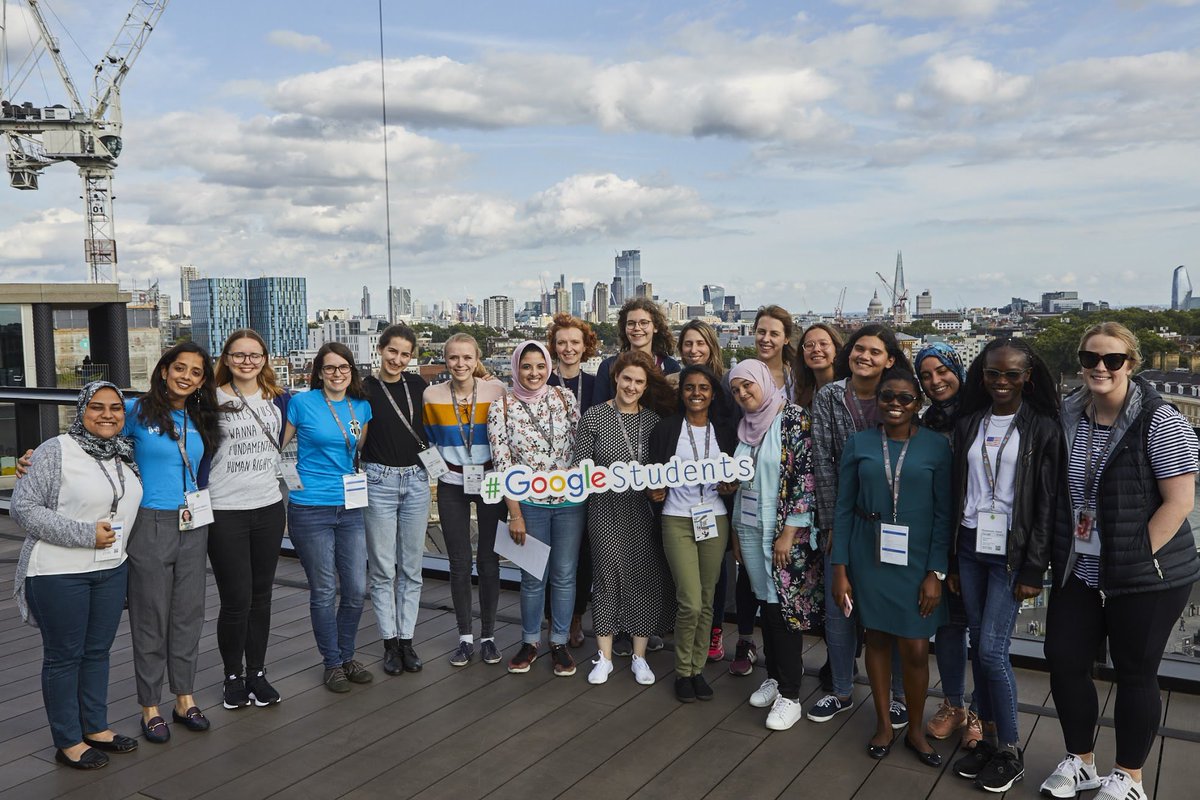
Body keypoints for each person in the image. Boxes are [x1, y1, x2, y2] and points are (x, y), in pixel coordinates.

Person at [1040, 323, 1199, 800]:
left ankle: (1129, 777)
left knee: (1135, 672)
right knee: (1065, 660)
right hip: (1080, 568)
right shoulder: (1068, 415)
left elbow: (1179, 503)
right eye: (1091, 359)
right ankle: (1082, 762)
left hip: (1146, 574)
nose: (1100, 369)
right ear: (1080, 362)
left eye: (1113, 360)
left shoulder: (1161, 420)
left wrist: (1132, 556)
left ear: (1131, 363)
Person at [946, 338, 1063, 792]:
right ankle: (991, 741)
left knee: (993, 651)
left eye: (1011, 374)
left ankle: (1011, 750)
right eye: (993, 373)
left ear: (1027, 377)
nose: (1000, 382)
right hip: (972, 544)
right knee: (979, 646)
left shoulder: (1044, 428)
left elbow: (1048, 504)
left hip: (1012, 553)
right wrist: (952, 558)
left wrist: (1035, 568)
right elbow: (959, 494)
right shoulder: (969, 422)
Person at [11, 382, 143, 769]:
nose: (107, 414)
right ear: (81, 411)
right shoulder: (57, 450)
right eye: (96, 407)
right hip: (57, 572)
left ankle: (95, 727)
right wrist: (87, 535)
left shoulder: (124, 452)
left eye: (115, 408)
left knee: (97, 652)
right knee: (64, 656)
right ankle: (68, 740)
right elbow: (24, 508)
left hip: (110, 569)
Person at [831, 367, 952, 764]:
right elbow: (843, 510)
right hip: (869, 554)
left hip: (917, 558)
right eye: (888, 397)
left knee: (916, 648)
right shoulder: (859, 443)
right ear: (877, 401)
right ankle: (884, 724)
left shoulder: (936, 447)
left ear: (918, 403)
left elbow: (943, 516)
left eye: (905, 398)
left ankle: (915, 731)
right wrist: (841, 569)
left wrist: (936, 573)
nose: (895, 405)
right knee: (877, 640)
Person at [809, 324, 912, 727]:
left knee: (891, 607)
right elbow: (822, 461)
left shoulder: (900, 393)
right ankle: (840, 690)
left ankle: (900, 696)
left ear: (889, 358)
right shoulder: (830, 396)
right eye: (858, 349)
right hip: (846, 515)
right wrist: (831, 520)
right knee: (839, 607)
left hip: (894, 519)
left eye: (874, 351)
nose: (863, 356)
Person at [125, 343, 221, 742]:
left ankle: (184, 697)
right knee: (150, 616)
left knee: (188, 614)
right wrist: (34, 458)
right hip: (149, 523)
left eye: (195, 372)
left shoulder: (201, 415)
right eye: (179, 368)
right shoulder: (135, 411)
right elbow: (85, 436)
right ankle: (150, 705)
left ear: (202, 381)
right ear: (163, 370)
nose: (186, 376)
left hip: (194, 522)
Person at [728, 359, 822, 730]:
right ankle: (776, 673)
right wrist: (736, 532)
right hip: (749, 529)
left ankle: (791, 694)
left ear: (765, 383)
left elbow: (806, 478)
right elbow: (741, 483)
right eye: (736, 390)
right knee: (766, 605)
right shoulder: (745, 428)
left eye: (748, 386)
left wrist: (790, 532)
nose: (743, 394)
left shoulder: (793, 419)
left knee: (785, 610)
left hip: (783, 533)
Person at [574, 350, 674, 685]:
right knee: (605, 579)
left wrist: (656, 489)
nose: (631, 386)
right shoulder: (594, 417)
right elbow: (581, 466)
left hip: (640, 510)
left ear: (646, 387)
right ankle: (602, 656)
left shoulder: (653, 421)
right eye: (627, 378)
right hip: (603, 509)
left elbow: (659, 469)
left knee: (642, 579)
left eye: (639, 382)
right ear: (616, 377)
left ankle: (639, 656)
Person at [283, 342, 374, 693]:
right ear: (319, 372)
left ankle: (347, 655)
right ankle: (333, 663)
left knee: (354, 589)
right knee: (323, 590)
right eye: (330, 368)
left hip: (350, 506)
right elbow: (278, 445)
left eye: (344, 368)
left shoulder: (361, 407)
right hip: (310, 506)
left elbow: (357, 451)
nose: (337, 373)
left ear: (352, 371)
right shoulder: (301, 403)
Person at [488, 341, 582, 677]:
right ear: (515, 368)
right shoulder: (501, 407)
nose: (533, 373)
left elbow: (579, 445)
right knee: (532, 578)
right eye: (526, 366)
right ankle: (530, 641)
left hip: (570, 502)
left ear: (549, 367)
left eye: (540, 366)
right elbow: (503, 464)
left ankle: (559, 641)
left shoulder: (563, 398)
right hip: (529, 505)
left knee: (565, 575)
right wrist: (515, 513)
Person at [208, 329, 290, 710]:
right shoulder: (208, 399)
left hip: (269, 506)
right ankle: (231, 676)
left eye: (255, 355)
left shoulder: (279, 399)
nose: (247, 362)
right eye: (238, 355)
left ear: (265, 359)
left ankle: (256, 672)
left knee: (261, 597)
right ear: (225, 358)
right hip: (224, 509)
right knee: (236, 599)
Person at [648, 364, 738, 702]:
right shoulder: (667, 429)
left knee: (708, 597)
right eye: (689, 387)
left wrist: (731, 486)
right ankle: (683, 670)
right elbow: (652, 476)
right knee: (690, 600)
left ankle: (698, 669)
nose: (696, 393)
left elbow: (734, 475)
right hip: (676, 519)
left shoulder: (726, 431)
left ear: (713, 393)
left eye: (703, 387)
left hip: (714, 519)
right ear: (681, 392)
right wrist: (652, 493)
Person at [423, 332, 508, 667]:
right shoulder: (431, 395)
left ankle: (488, 636)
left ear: (477, 359)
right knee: (458, 563)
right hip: (450, 483)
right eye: (453, 358)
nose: (460, 364)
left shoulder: (497, 391)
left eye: (466, 358)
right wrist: (439, 467)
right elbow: (427, 438)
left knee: (489, 561)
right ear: (445, 360)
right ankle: (465, 637)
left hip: (489, 481)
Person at [914, 342, 983, 750]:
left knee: (988, 636)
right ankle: (954, 703)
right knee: (951, 626)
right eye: (926, 375)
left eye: (942, 371)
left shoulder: (982, 416)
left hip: (981, 537)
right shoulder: (926, 422)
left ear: (958, 368)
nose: (935, 381)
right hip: (944, 536)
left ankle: (982, 710)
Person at [362, 324, 430, 676]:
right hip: (378, 480)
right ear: (380, 349)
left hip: (417, 479)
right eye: (393, 351)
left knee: (411, 568)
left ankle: (407, 639)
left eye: (405, 354)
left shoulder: (418, 385)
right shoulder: (364, 389)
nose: (398, 359)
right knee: (383, 567)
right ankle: (389, 641)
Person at [546, 313, 599, 648]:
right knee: (550, 551)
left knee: (583, 553)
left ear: (586, 347)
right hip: (548, 479)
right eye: (562, 342)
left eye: (574, 343)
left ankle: (577, 615)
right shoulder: (542, 382)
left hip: (587, 477)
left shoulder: (596, 384)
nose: (568, 348)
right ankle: (552, 618)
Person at [592, 298, 680, 405]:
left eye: (644, 323)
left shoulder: (670, 366)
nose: (637, 328)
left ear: (655, 327)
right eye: (631, 323)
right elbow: (598, 409)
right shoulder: (608, 366)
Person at [793, 322, 843, 409]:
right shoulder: (802, 393)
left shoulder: (847, 391)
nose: (816, 349)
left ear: (836, 350)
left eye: (823, 344)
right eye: (809, 345)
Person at [753, 305, 797, 400]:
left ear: (786, 339)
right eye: (761, 332)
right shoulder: (738, 377)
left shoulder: (797, 379)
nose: (765, 339)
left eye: (774, 334)